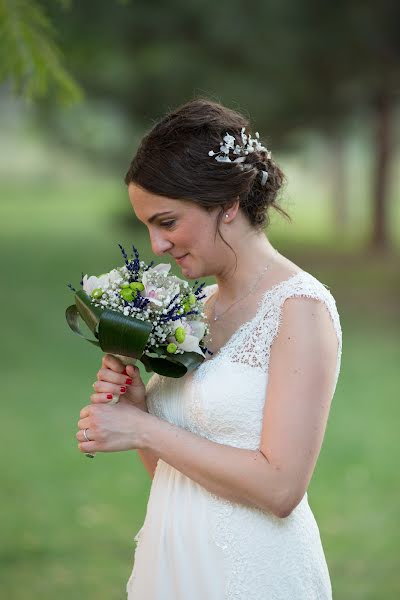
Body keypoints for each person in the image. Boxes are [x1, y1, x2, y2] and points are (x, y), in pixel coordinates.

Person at [76, 98, 343, 599]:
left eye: (167, 222)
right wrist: (137, 409)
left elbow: (281, 489)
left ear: (227, 205)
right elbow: (172, 468)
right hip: (174, 560)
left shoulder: (298, 309)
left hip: (253, 572)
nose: (155, 244)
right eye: (148, 227)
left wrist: (143, 426)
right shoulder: (194, 306)